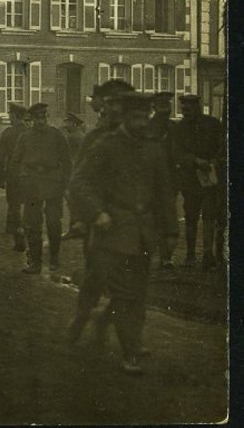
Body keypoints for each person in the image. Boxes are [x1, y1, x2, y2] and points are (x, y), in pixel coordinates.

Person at [68, 91, 178, 375]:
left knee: (137, 293)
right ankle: (128, 350)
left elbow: (165, 193)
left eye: (146, 117)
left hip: (142, 233)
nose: (142, 123)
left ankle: (124, 335)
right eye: (136, 117)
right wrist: (97, 213)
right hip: (111, 232)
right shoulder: (107, 145)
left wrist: (170, 232)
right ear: (125, 118)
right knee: (119, 290)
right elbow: (79, 182)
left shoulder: (154, 149)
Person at [11, 102, 71, 274]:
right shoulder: (25, 137)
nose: (40, 121)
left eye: (43, 117)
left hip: (53, 182)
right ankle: (35, 263)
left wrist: (65, 183)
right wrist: (19, 183)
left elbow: (67, 161)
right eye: (37, 118)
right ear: (32, 119)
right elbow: (16, 160)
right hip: (31, 184)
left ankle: (54, 258)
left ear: (47, 117)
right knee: (32, 224)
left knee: (53, 222)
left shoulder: (57, 135)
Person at [171, 93, 225, 270]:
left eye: (189, 108)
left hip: (210, 178)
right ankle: (190, 254)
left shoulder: (213, 124)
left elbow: (222, 146)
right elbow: (176, 153)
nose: (186, 112)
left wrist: (215, 160)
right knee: (191, 217)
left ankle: (208, 254)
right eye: (183, 109)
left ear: (198, 107)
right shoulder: (179, 129)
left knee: (210, 216)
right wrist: (194, 161)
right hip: (190, 180)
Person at [148, 91, 178, 269]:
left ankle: (166, 257)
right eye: (161, 105)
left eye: (167, 105)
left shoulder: (174, 128)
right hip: (150, 181)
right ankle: (146, 255)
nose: (165, 109)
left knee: (167, 217)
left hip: (170, 180)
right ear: (154, 107)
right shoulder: (147, 128)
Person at [0, 103, 29, 251]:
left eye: (10, 115)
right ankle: (23, 229)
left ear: (14, 116)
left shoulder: (8, 133)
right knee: (29, 204)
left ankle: (16, 232)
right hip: (29, 174)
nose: (9, 117)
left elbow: (1, 158)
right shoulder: (30, 132)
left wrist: (0, 177)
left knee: (14, 204)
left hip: (13, 173)